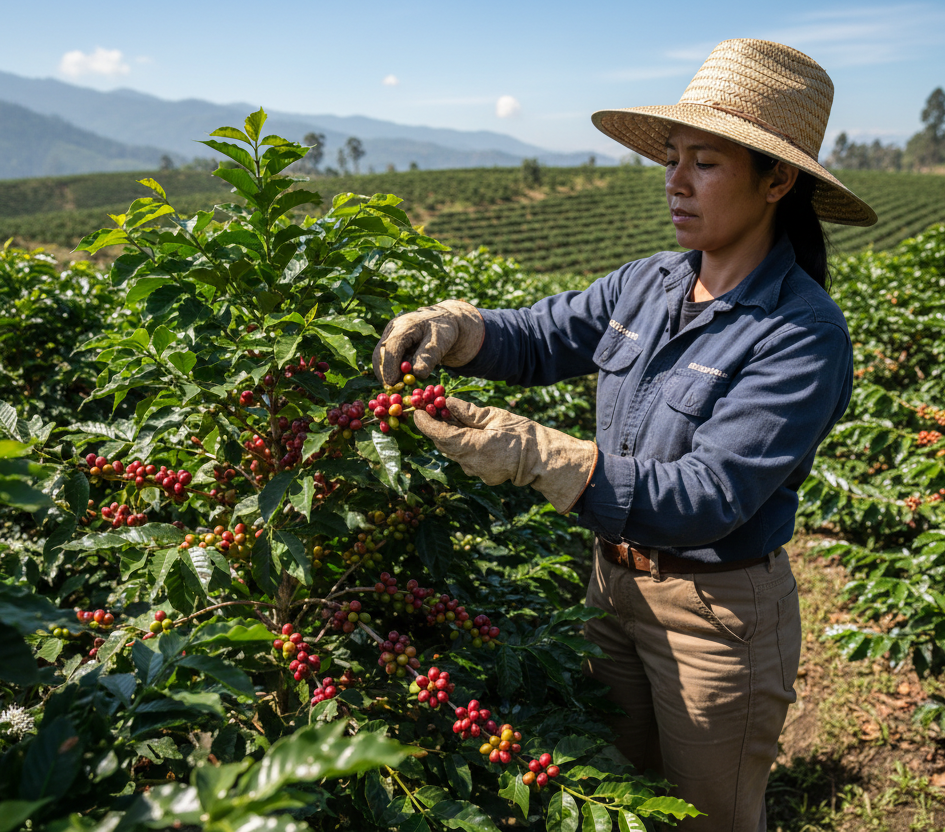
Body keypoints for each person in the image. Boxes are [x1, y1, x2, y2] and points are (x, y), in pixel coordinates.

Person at [372, 39, 876, 832]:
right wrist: (457, 330)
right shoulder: (650, 282)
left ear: (777, 180)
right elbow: (540, 335)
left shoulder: (801, 334)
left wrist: (541, 456)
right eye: (673, 159)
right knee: (616, 797)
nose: (675, 182)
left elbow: (710, 498)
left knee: (707, 819)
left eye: (704, 163)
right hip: (611, 589)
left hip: (717, 618)